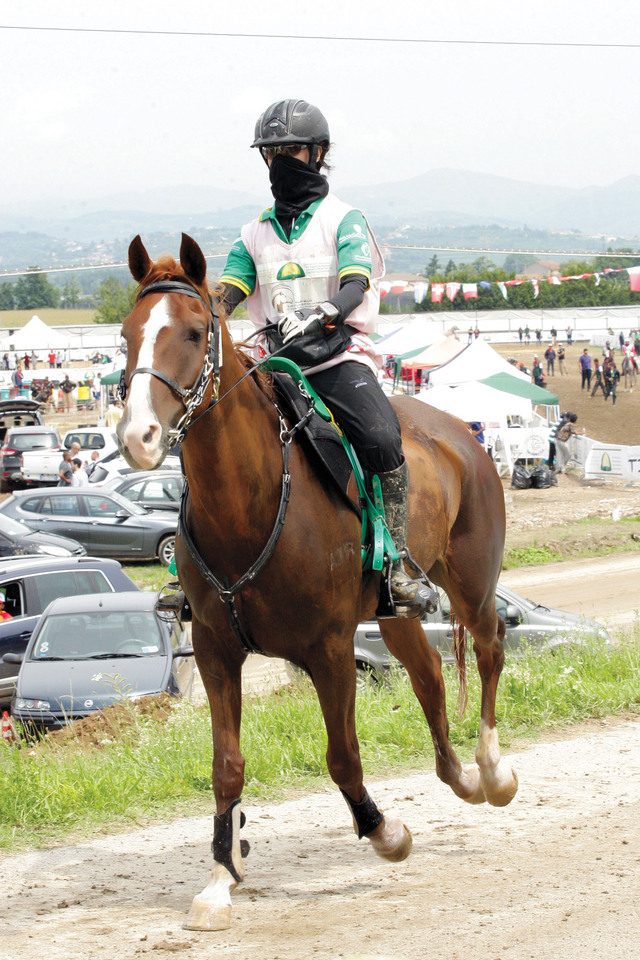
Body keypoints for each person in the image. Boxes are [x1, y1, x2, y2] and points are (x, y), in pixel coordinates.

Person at [216, 98, 436, 614]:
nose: (283, 161)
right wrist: (204, 312)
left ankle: (399, 562)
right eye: (273, 153)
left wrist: (326, 311)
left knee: (382, 437)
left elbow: (358, 281)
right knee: (212, 432)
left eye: (293, 149)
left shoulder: (345, 219)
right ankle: (197, 571)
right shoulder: (252, 234)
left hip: (337, 357)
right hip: (275, 364)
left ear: (319, 153)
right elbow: (229, 290)